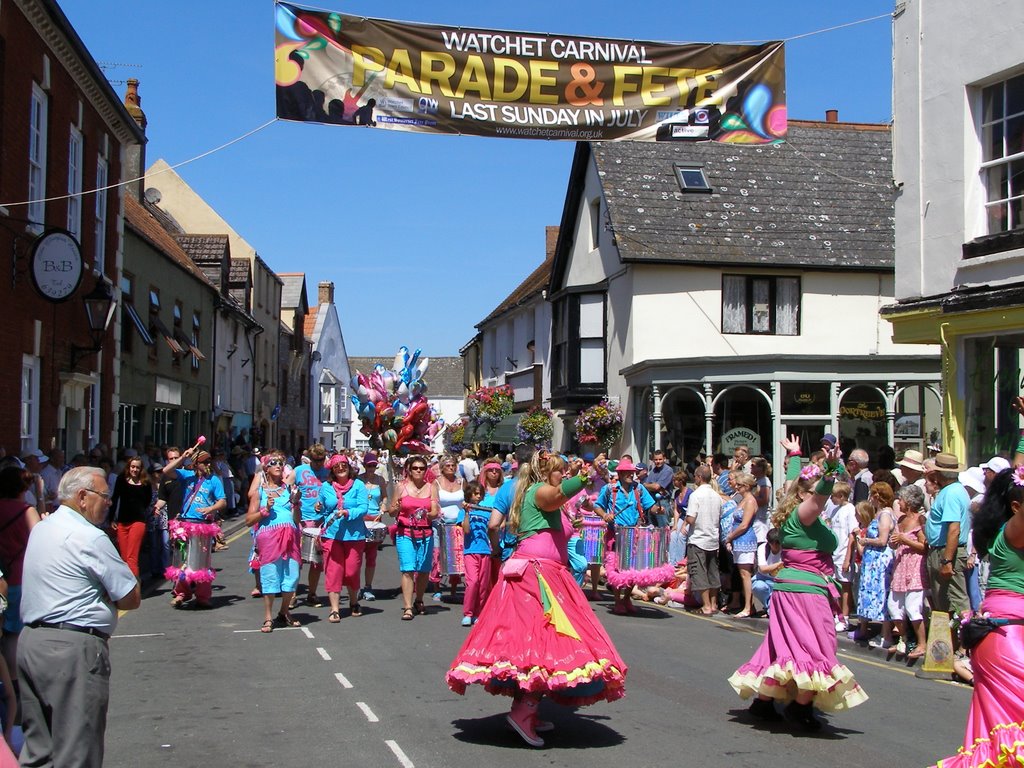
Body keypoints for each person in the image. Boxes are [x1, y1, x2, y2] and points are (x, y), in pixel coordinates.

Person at [446, 454, 627, 748]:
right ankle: (523, 712)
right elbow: (557, 494)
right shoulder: (540, 491)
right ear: (546, 473)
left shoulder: (545, 497)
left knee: (540, 645)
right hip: (536, 575)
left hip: (548, 573)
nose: (561, 476)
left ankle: (527, 707)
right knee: (543, 642)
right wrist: (584, 476)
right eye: (558, 472)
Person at [729, 454, 868, 730]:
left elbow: (795, 484)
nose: (823, 499)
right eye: (817, 492)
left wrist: (793, 457)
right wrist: (828, 473)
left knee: (782, 647)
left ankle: (764, 701)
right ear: (807, 494)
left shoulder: (796, 514)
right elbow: (816, 498)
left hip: (793, 590)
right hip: (804, 592)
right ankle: (800, 707)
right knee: (815, 646)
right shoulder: (804, 515)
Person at [18, 466, 140, 767]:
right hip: (72, 648)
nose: (109, 502)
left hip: (32, 642)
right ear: (82, 497)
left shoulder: (42, 529)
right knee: (77, 750)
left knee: (38, 750)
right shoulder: (89, 537)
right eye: (104, 496)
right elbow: (130, 596)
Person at [933, 465, 1024, 767]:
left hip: (1005, 634)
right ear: (1015, 507)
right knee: (1012, 735)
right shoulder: (1011, 532)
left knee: (1007, 740)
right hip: (1006, 635)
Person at [162, 446, 227, 609]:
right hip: (184, 524)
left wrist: (211, 509)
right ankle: (182, 593)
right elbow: (166, 470)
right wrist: (183, 457)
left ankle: (202, 596)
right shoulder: (187, 476)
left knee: (201, 563)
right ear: (196, 463)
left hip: (202, 526)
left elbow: (222, 501)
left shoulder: (214, 480)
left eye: (209, 461)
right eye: (204, 462)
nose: (208, 465)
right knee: (181, 561)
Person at [245, 451, 302, 632]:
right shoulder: (259, 491)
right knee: (270, 575)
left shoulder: (289, 489)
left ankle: (284, 612)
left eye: (280, 463)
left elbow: (297, 519)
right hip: (269, 538)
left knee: (291, 576)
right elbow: (248, 520)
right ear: (266, 468)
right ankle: (268, 617)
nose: (278, 466)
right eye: (273, 463)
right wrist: (265, 510)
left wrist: (296, 504)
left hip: (290, 537)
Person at [0, 467, 42, 710]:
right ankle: (14, 681)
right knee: (15, 633)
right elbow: (40, 540)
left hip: (1, 575)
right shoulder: (27, 511)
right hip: (18, 577)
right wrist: (40, 498)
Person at [594, 457, 658, 615]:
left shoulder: (639, 489)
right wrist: (605, 515)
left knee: (633, 570)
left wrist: (659, 509)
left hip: (634, 534)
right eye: (629, 472)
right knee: (616, 569)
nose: (632, 475)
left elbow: (652, 507)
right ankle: (617, 601)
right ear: (621, 474)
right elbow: (597, 506)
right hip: (615, 534)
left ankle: (626, 598)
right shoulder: (610, 489)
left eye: (633, 472)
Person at [317, 454, 368, 623]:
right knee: (333, 570)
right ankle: (335, 609)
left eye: (343, 465)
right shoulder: (326, 487)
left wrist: (348, 513)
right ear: (332, 469)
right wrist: (319, 507)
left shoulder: (359, 485)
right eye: (337, 466)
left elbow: (363, 508)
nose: (340, 468)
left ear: (349, 467)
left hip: (354, 534)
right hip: (331, 534)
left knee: (352, 571)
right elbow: (323, 508)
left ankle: (354, 601)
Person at [389, 457, 439, 620]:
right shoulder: (401, 487)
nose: (418, 471)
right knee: (408, 569)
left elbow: (434, 512)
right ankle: (408, 606)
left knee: (424, 570)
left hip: (425, 533)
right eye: (415, 468)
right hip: (405, 533)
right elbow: (391, 512)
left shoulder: (431, 487)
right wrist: (395, 509)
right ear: (409, 470)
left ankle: (419, 599)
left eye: (422, 468)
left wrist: (428, 514)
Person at [924, 453, 972, 625]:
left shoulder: (951, 493)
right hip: (943, 550)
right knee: (944, 604)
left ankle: (964, 645)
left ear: (940, 473)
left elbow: (954, 529)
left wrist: (946, 560)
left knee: (956, 601)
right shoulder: (953, 490)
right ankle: (950, 645)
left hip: (946, 551)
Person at [853, 482, 897, 647]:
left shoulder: (885, 515)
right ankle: (866, 629)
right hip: (872, 560)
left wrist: (865, 540)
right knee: (871, 594)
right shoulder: (880, 513)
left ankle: (886, 636)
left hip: (880, 560)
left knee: (881, 595)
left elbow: (883, 540)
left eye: (872, 494)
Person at [887, 484, 928, 659]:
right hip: (900, 566)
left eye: (901, 499)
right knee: (894, 606)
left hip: (915, 567)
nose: (899, 502)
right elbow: (893, 541)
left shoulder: (921, 520)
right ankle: (904, 639)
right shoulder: (901, 520)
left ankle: (922, 643)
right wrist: (894, 542)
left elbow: (924, 546)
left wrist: (904, 539)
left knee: (913, 608)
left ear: (910, 502)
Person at [291, 443, 329, 608]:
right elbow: (287, 487)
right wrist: (294, 496)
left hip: (320, 521)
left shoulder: (328, 473)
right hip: (300, 520)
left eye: (321, 460)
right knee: (296, 560)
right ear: (310, 458)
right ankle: (291, 594)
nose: (318, 463)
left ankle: (311, 593)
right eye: (315, 460)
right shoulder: (299, 470)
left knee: (316, 562)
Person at [684, 465, 722, 615]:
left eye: (695, 476)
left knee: (699, 571)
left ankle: (706, 605)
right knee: (713, 571)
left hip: (698, 538)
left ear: (699, 477)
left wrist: (685, 518)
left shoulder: (695, 495)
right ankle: (713, 604)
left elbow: (691, 518)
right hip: (712, 538)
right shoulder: (716, 496)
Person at [822, 481, 858, 631]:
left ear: (842, 496)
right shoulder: (836, 510)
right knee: (833, 585)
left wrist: (847, 558)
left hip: (843, 553)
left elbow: (852, 534)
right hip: (834, 553)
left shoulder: (850, 510)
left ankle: (845, 617)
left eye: (834, 496)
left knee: (845, 586)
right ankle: (835, 613)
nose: (831, 499)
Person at [723, 472, 759, 618]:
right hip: (738, 539)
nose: (736, 487)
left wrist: (730, 536)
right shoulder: (743, 500)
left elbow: (744, 524)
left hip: (745, 539)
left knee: (745, 574)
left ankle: (748, 607)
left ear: (746, 486)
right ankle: (748, 605)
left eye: (739, 485)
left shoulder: (750, 501)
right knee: (742, 573)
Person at [110, 455, 152, 578]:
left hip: (138, 521)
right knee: (124, 557)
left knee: (131, 556)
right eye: (132, 467)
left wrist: (140, 511)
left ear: (141, 469)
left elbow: (147, 501)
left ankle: (134, 587)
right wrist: (112, 518)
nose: (134, 470)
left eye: (137, 467)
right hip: (122, 521)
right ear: (129, 467)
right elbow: (115, 498)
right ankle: (125, 587)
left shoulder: (145, 483)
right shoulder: (121, 479)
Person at [431, 454, 465, 601]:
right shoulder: (436, 483)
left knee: (455, 555)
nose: (451, 468)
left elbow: (467, 500)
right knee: (437, 554)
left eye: (453, 465)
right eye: (448, 466)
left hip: (458, 524)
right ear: (442, 468)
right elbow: (433, 501)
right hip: (440, 523)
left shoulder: (462, 482)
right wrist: (437, 511)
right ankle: (437, 587)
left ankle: (453, 587)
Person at [357, 452, 387, 602]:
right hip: (360, 519)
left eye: (374, 465)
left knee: (371, 555)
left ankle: (368, 587)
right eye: (369, 465)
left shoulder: (380, 480)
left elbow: (385, 496)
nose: (372, 468)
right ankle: (355, 586)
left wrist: (383, 507)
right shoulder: (358, 480)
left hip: (375, 518)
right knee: (356, 555)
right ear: (364, 465)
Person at [752, 528, 783, 616]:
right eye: (773, 543)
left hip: (779, 579)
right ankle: (769, 607)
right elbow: (763, 569)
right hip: (763, 578)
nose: (776, 546)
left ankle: (770, 609)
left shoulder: (785, 549)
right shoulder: (763, 548)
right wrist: (779, 564)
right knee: (758, 587)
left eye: (778, 543)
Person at [643, 449, 675, 527]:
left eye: (660, 459)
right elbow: (652, 487)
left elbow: (656, 487)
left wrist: (645, 485)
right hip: (652, 502)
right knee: (652, 528)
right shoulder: (653, 471)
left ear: (664, 459)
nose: (658, 461)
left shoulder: (668, 470)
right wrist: (651, 486)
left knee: (662, 529)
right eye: (656, 459)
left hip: (662, 502)